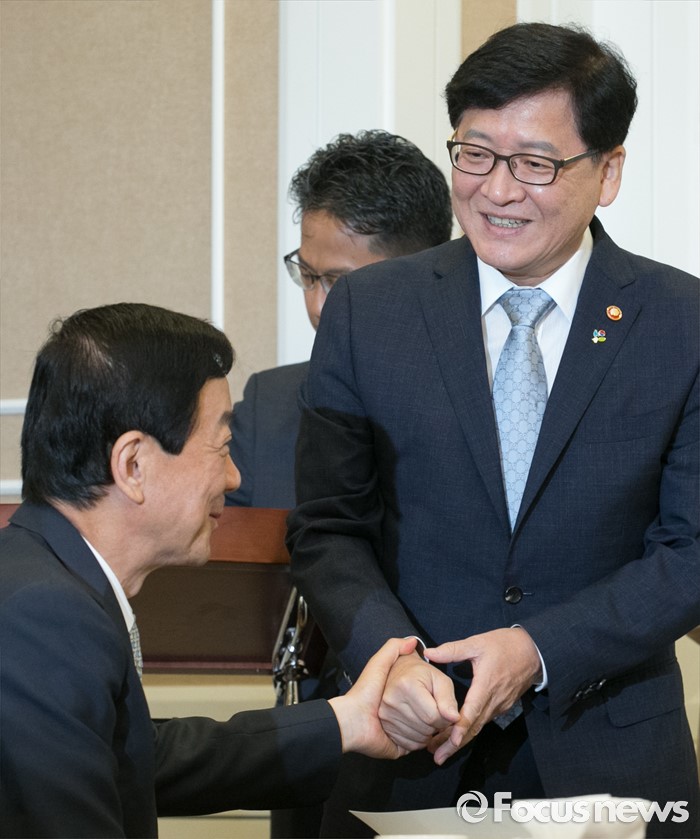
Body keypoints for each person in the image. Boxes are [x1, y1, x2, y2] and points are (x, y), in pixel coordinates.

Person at [287, 22, 700, 839]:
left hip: (609, 755)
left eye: (535, 163)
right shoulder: (370, 311)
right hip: (406, 746)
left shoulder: (680, 321)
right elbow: (328, 528)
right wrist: (392, 656)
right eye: (475, 155)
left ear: (609, 170)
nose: (498, 190)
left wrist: (538, 648)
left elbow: (690, 549)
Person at [0, 302, 421, 839]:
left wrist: (346, 722)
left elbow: (142, 760)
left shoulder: (45, 579)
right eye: (221, 447)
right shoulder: (44, 614)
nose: (234, 476)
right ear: (133, 465)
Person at [226, 129, 453, 508]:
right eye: (308, 275)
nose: (317, 306)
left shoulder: (482, 406)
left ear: (424, 272)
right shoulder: (267, 407)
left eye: (340, 283)